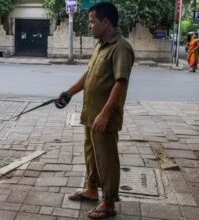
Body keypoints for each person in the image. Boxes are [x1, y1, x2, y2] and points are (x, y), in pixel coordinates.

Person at [55, 2, 134, 219]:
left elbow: (121, 83)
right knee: (91, 154)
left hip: (104, 117)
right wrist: (69, 93)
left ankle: (108, 202)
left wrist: (106, 113)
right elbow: (89, 75)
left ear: (105, 22)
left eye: (92, 21)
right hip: (91, 113)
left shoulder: (121, 47)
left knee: (106, 158)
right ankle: (91, 190)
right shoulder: (100, 45)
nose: (90, 26)